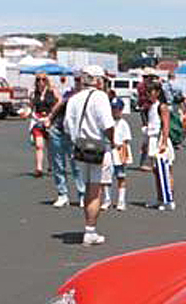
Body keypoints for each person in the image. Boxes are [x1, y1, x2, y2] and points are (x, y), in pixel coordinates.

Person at [64, 65, 114, 245]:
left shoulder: (74, 98)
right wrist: (113, 141)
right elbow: (107, 124)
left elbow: (67, 126)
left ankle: (89, 227)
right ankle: (90, 229)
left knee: (87, 188)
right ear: (99, 80)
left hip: (80, 147)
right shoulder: (100, 97)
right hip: (98, 146)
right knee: (95, 190)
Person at [47, 78, 85, 207]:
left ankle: (82, 194)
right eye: (77, 80)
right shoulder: (70, 93)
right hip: (58, 129)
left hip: (74, 134)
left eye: (81, 80)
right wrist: (50, 119)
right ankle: (62, 194)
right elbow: (60, 104)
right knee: (58, 164)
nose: (79, 82)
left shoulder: (88, 96)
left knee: (77, 166)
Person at [144, 80, 176, 211]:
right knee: (156, 172)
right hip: (152, 139)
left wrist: (163, 142)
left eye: (150, 92)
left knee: (166, 170)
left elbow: (166, 125)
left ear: (157, 92)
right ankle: (160, 198)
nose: (148, 94)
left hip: (160, 140)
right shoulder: (151, 106)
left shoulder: (162, 106)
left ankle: (169, 199)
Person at [29, 72, 58, 176]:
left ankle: (51, 166)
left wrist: (52, 115)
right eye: (38, 80)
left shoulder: (52, 90)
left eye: (43, 79)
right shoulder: (34, 93)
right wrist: (27, 112)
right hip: (38, 120)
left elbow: (60, 102)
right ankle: (39, 168)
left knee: (51, 146)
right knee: (39, 145)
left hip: (50, 120)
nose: (41, 82)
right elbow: (31, 106)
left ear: (47, 81)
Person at [107, 97, 131, 211]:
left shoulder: (123, 124)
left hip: (119, 153)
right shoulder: (108, 122)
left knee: (120, 177)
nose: (115, 111)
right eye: (113, 109)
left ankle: (121, 201)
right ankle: (107, 200)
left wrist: (124, 156)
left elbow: (126, 141)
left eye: (117, 109)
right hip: (108, 152)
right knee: (106, 178)